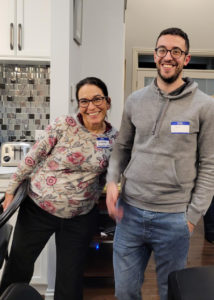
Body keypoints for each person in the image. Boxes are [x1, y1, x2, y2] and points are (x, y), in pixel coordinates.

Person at [106, 27, 214, 300]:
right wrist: (111, 183)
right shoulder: (135, 101)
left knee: (171, 293)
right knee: (125, 292)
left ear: (186, 59)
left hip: (174, 218)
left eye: (176, 51)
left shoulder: (205, 106)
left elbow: (210, 165)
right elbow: (121, 148)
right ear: (155, 55)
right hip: (129, 214)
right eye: (163, 50)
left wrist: (191, 218)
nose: (169, 56)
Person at [0, 77, 118, 300]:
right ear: (78, 105)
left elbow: (112, 172)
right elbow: (32, 157)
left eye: (97, 99)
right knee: (19, 266)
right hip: (38, 209)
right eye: (84, 101)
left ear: (108, 101)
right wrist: (10, 190)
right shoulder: (64, 125)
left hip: (79, 217)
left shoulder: (114, 138)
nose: (91, 106)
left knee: (70, 279)